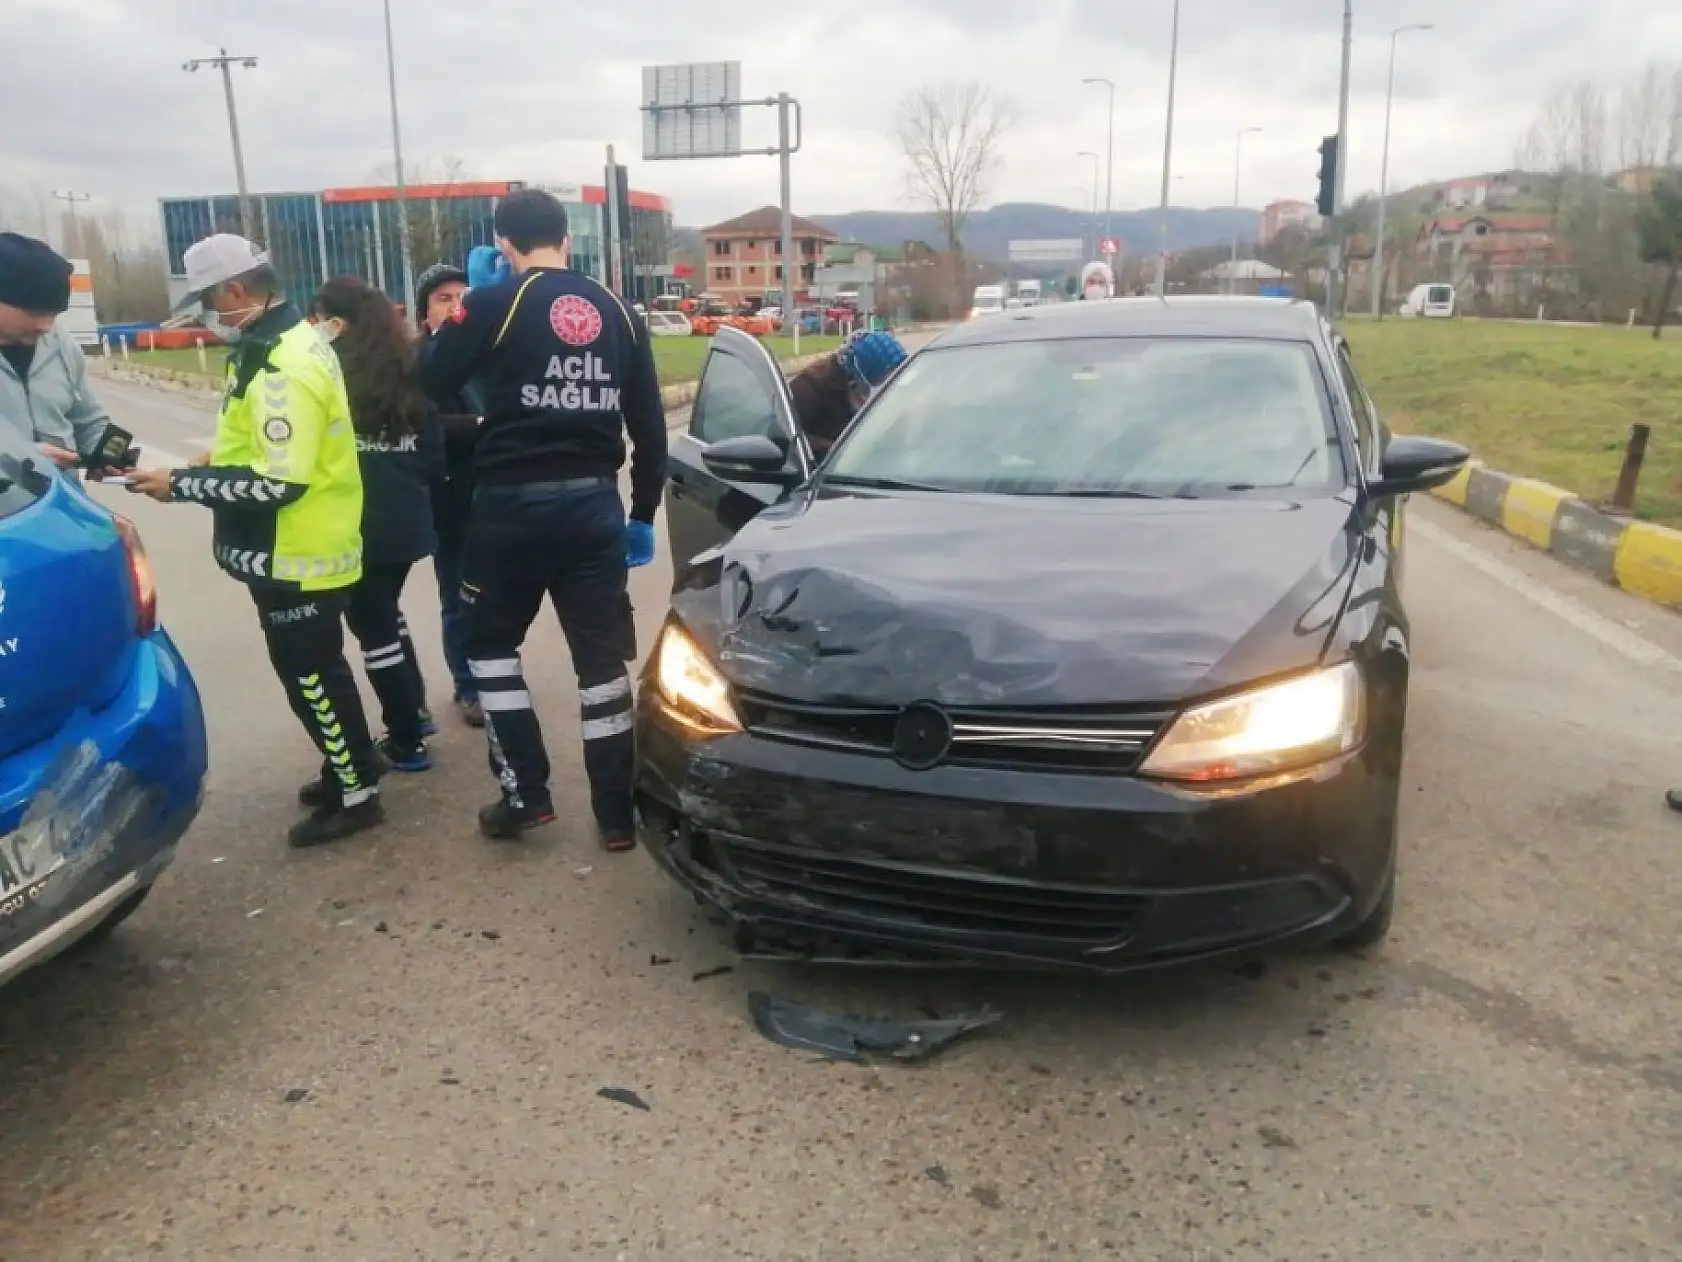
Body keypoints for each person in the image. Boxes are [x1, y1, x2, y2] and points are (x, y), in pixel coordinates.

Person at [418, 189, 666, 847]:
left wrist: (467, 309)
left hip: (509, 509)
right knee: (602, 663)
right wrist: (642, 511)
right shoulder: (618, 310)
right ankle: (616, 817)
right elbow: (650, 427)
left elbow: (432, 377)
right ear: (564, 235)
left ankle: (525, 795)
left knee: (490, 649)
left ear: (503, 242)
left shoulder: (496, 301)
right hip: (593, 506)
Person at [124, 234, 384, 849]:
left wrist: (183, 484)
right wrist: (216, 457)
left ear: (236, 290)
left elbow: (279, 481)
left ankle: (357, 792)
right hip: (299, 546)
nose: (209, 317)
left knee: (312, 676)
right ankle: (347, 766)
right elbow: (279, 444)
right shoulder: (285, 342)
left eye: (209, 301)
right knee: (314, 671)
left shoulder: (282, 362)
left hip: (296, 550)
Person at [306, 275, 444, 780]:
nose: (313, 329)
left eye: (319, 320)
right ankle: (418, 710)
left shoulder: (331, 373)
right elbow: (434, 452)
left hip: (363, 520)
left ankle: (405, 735)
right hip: (407, 517)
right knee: (387, 614)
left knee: (373, 628)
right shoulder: (406, 366)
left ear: (337, 323)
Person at [412, 262, 487, 729]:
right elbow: (421, 425)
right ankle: (468, 684)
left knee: (498, 594)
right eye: (443, 298)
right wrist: (480, 427)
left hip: (496, 495)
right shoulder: (418, 362)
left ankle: (497, 671)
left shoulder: (488, 356)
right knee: (459, 595)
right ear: (425, 315)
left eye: (463, 296)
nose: (456, 305)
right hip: (450, 499)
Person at [0, 233, 126, 476]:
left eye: (54, 314)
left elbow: (88, 419)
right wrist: (22, 457)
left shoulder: (62, 344)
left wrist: (109, 455)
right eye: (34, 312)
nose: (46, 326)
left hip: (61, 501)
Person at [786, 328, 908, 458]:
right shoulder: (807, 390)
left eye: (897, 377)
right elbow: (789, 439)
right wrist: (842, 452)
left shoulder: (899, 398)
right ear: (856, 379)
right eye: (885, 380)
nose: (890, 387)